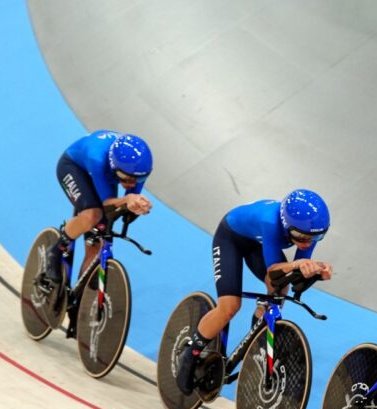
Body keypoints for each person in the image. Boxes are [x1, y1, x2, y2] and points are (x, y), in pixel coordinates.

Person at [175, 190, 333, 394]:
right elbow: (274, 270)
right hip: (230, 238)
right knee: (230, 306)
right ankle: (190, 354)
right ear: (286, 225)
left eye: (315, 237)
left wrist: (317, 269)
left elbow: (296, 272)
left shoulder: (306, 232)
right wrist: (298, 264)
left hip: (255, 242)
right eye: (301, 237)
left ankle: (256, 336)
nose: (307, 243)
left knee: (280, 287)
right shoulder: (271, 223)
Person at [45, 130, 154, 282]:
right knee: (92, 215)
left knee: (98, 245)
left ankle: (77, 299)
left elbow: (123, 207)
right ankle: (55, 251)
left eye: (139, 179)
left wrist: (137, 207)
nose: (132, 184)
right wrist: (128, 198)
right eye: (126, 178)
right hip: (74, 167)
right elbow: (108, 203)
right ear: (114, 165)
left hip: (106, 175)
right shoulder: (97, 158)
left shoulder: (137, 170)